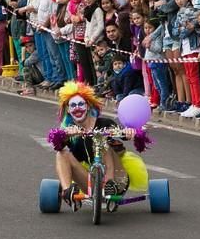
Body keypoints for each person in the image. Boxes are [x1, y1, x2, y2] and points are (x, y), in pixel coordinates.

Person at [53, 82, 146, 210]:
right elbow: (57, 145)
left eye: (81, 104)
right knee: (61, 154)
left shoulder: (105, 123)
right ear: (68, 109)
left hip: (118, 178)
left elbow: (125, 134)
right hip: (91, 182)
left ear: (88, 105)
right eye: (73, 105)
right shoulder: (71, 130)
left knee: (101, 141)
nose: (77, 108)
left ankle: (109, 185)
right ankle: (67, 192)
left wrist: (130, 132)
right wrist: (66, 136)